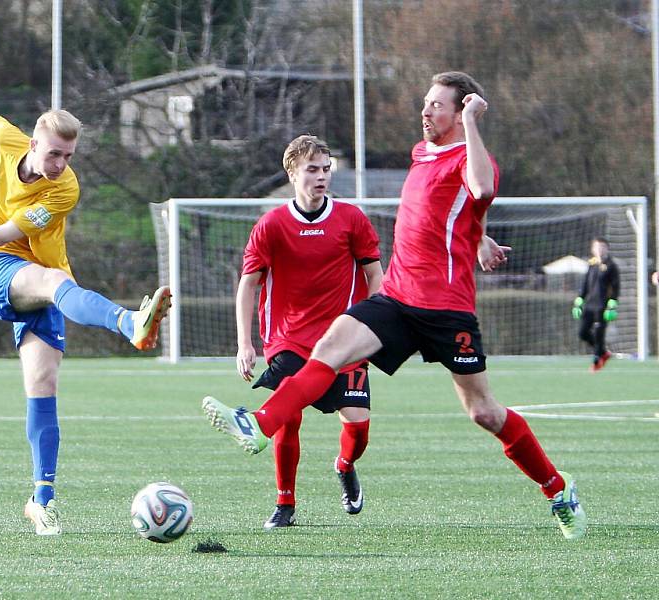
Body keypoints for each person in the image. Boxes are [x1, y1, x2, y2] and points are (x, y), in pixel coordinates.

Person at [203, 71, 587, 540]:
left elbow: (482, 189)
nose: (425, 112)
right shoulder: (421, 152)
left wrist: (470, 124)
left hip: (446, 309)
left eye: (437, 106)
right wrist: (478, 236)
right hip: (397, 297)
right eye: (425, 103)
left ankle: (558, 489)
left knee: (484, 412)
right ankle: (260, 424)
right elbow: (441, 211)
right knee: (329, 349)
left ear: (462, 109)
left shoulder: (470, 153)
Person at [0, 58, 172, 536]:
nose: (61, 164)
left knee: (43, 385)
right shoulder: (5, 141)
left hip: (41, 275)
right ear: (34, 141)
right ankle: (129, 323)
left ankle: (41, 500)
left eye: (68, 156)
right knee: (52, 284)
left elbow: (11, 226)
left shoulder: (65, 189)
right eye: (55, 153)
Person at [220, 134, 382, 529]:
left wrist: (377, 324)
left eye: (326, 169)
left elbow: (375, 275)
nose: (322, 176)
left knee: (358, 429)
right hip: (288, 339)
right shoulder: (272, 224)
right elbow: (248, 284)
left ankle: (344, 466)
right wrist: (245, 344)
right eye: (312, 169)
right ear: (292, 173)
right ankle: (285, 503)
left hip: (344, 341)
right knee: (288, 417)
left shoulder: (351, 219)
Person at [572, 237, 620, 372]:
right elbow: (585, 284)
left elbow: (616, 287)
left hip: (602, 306)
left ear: (607, 249)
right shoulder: (591, 264)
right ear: (593, 249)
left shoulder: (611, 266)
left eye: (603, 247)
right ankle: (603, 352)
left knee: (599, 334)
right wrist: (579, 300)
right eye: (597, 247)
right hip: (589, 306)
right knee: (582, 333)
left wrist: (612, 304)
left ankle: (596, 362)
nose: (600, 249)